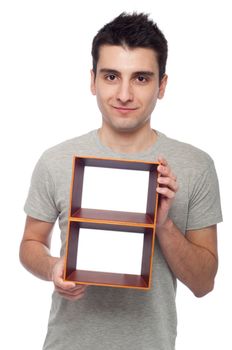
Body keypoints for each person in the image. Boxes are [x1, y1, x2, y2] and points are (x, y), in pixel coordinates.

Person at [20, 12, 222, 350]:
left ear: (162, 86)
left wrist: (163, 224)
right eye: (111, 76)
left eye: (141, 78)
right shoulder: (55, 160)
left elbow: (204, 284)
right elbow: (30, 243)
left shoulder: (196, 166)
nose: (124, 94)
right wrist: (54, 266)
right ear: (93, 80)